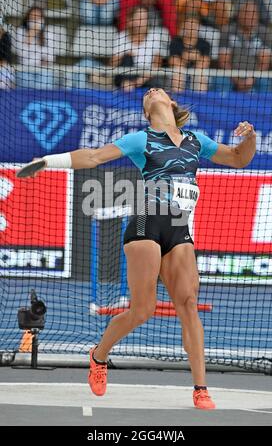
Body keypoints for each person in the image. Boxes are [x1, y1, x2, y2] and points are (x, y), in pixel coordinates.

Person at [19, 88, 257, 409]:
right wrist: (47, 161)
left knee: (187, 302)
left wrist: (251, 137)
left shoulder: (197, 140)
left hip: (179, 228)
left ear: (171, 104)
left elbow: (239, 158)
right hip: (147, 220)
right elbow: (92, 156)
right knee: (143, 309)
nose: (153, 91)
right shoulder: (140, 139)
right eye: (148, 94)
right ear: (149, 111)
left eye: (159, 90)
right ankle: (99, 356)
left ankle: (201, 388)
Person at [219, 0, 272, 92]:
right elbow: (224, 61)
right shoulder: (227, 31)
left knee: (265, 83)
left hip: (256, 75)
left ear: (258, 15)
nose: (250, 16)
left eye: (253, 13)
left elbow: (264, 62)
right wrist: (237, 80)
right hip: (231, 75)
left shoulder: (265, 33)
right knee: (220, 82)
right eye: (246, 13)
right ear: (239, 14)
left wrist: (252, 79)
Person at [111, 5, 164, 91]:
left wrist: (140, 81)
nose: (142, 22)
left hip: (147, 76)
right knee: (127, 58)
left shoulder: (154, 36)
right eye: (138, 18)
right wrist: (124, 55)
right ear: (130, 20)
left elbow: (157, 64)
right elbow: (113, 64)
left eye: (144, 18)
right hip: (126, 75)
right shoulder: (121, 36)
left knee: (156, 80)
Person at [168, 16, 211, 91]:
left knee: (200, 74)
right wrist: (187, 58)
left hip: (197, 72)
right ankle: (177, 99)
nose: (191, 28)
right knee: (178, 73)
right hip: (180, 73)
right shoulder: (175, 42)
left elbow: (205, 63)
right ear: (183, 26)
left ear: (198, 27)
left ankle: (199, 100)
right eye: (188, 25)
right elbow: (173, 61)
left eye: (194, 25)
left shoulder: (204, 44)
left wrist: (194, 58)